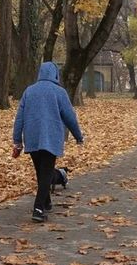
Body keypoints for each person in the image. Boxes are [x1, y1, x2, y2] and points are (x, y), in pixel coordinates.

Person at [12, 62, 84, 223]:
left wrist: (17, 140)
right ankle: (38, 208)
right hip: (51, 138)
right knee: (45, 173)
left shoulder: (29, 91)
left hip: (32, 137)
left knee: (41, 171)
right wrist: (78, 136)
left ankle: (46, 202)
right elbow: (70, 117)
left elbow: (19, 118)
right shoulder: (59, 92)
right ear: (55, 75)